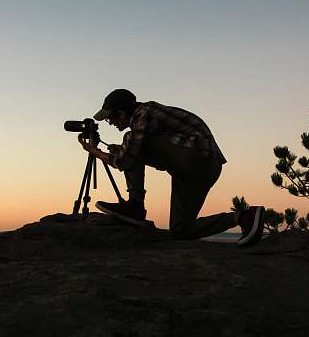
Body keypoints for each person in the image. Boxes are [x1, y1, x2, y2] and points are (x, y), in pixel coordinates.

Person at [77, 88, 265, 247]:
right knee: (180, 229)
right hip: (202, 169)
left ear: (121, 114)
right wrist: (124, 151)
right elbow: (148, 155)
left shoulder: (143, 113)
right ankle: (243, 217)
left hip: (196, 157)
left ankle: (135, 205)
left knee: (129, 141)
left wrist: (95, 151)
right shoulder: (146, 119)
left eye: (111, 119)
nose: (111, 123)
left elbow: (125, 161)